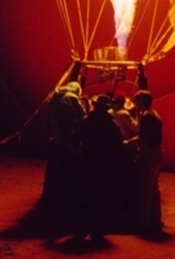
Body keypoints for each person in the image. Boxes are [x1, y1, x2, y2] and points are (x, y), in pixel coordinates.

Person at [75, 94, 125, 241]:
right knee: (101, 197)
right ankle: (97, 230)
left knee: (84, 196)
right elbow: (118, 144)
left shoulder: (87, 121)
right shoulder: (112, 124)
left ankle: (81, 229)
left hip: (87, 163)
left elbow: (75, 138)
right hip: (104, 166)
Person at [41, 81, 86, 223]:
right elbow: (82, 117)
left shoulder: (55, 97)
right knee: (71, 167)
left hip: (56, 137)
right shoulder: (71, 97)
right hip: (67, 137)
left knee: (56, 168)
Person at [132, 89, 163, 236]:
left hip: (149, 154)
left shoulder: (145, 117)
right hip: (157, 153)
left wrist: (138, 157)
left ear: (141, 102)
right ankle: (155, 220)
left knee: (144, 190)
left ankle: (142, 225)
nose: (134, 105)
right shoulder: (154, 115)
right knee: (154, 189)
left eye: (135, 102)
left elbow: (143, 140)